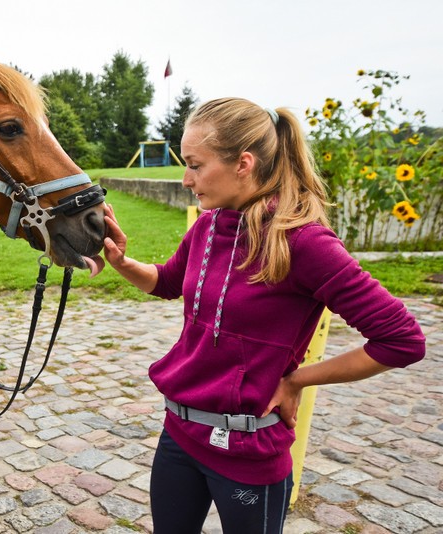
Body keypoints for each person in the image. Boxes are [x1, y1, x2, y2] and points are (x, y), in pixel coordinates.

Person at [101, 97, 426, 533]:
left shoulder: (304, 243)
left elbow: (402, 340)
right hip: (179, 434)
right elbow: (169, 282)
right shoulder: (208, 224)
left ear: (244, 163)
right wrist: (124, 263)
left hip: (249, 452)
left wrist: (298, 380)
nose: (185, 179)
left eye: (196, 165)